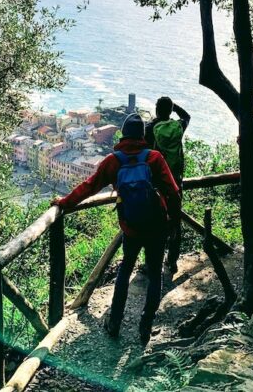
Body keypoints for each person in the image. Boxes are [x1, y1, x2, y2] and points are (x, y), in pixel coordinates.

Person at [53, 113, 180, 346]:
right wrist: (172, 222)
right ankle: (146, 326)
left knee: (124, 272)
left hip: (131, 228)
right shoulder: (154, 158)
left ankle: (115, 323)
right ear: (143, 135)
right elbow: (173, 191)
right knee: (154, 276)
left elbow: (89, 187)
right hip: (156, 226)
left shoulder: (114, 161)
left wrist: (64, 202)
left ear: (123, 135)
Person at [145, 97, 191, 274]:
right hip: (176, 180)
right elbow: (187, 116)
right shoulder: (178, 127)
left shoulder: (150, 128)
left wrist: (158, 116)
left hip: (156, 182)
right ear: (170, 110)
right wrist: (174, 108)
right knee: (175, 220)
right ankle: (172, 261)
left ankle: (151, 262)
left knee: (153, 220)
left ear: (157, 110)